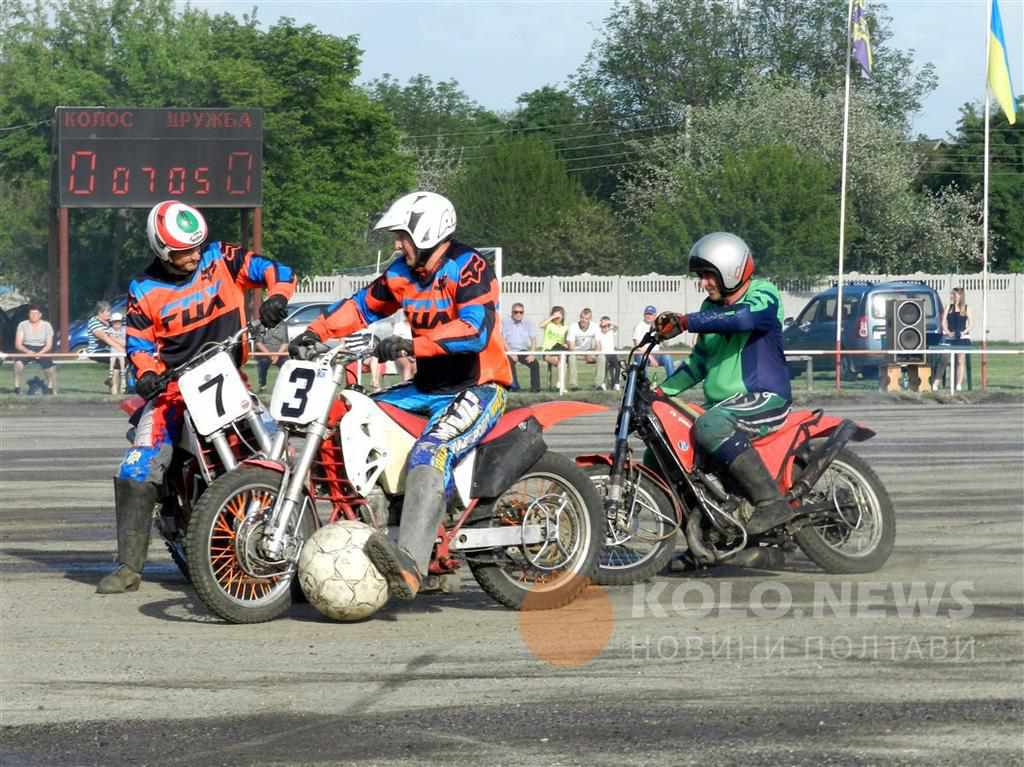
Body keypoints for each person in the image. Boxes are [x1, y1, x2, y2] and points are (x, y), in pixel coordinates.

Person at [289, 191, 512, 601]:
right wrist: (315, 333)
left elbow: (475, 329)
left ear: (426, 232)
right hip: (426, 389)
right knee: (353, 417)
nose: (396, 244)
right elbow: (360, 307)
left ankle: (409, 564)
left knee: (431, 454)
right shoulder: (401, 273)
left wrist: (410, 344)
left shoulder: (470, 267)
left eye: (401, 236)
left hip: (478, 388)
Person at [96, 200, 296, 594]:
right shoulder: (143, 288)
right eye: (183, 250)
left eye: (195, 246)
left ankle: (292, 541)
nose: (192, 256)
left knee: (280, 451)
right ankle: (129, 566)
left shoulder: (221, 256)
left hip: (231, 380)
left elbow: (277, 271)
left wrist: (277, 297)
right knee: (138, 465)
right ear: (161, 249)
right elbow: (138, 344)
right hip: (172, 392)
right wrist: (148, 374)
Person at [652, 232, 795, 536]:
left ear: (730, 270)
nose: (704, 283)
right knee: (662, 440)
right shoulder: (708, 309)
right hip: (723, 406)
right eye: (702, 277)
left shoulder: (763, 293)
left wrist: (685, 321)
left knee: (711, 425)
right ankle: (700, 535)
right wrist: (659, 394)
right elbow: (699, 363)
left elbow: (743, 319)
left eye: (708, 275)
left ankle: (771, 502)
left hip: (764, 397)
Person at [13, 304, 56, 395]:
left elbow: (49, 345)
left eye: (36, 314)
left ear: (40, 315)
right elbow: (18, 344)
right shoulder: (22, 324)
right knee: (18, 364)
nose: (33, 316)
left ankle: (50, 387)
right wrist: (28, 352)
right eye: (31, 314)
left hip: (42, 348)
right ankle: (17, 387)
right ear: (28, 314)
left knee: (49, 367)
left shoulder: (47, 325)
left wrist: (40, 353)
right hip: (26, 347)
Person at [502, 302, 540, 392]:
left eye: (521, 312)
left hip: (523, 350)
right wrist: (511, 353)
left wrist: (532, 354)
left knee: (535, 363)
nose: (518, 314)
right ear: (512, 312)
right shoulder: (505, 322)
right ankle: (515, 387)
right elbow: (502, 339)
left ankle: (535, 388)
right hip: (509, 350)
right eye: (516, 312)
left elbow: (533, 339)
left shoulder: (528, 322)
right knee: (509, 362)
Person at [632, 305, 676, 376]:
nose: (649, 316)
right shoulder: (639, 326)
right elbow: (638, 346)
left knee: (667, 357)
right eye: (647, 314)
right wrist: (651, 358)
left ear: (655, 315)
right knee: (641, 358)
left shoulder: (658, 326)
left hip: (656, 354)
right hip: (643, 354)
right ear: (644, 315)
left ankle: (672, 382)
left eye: (651, 314)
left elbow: (665, 343)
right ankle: (644, 383)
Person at [944, 287, 973, 391]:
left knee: (960, 360)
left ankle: (958, 384)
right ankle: (937, 383)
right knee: (945, 359)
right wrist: (948, 332)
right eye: (952, 294)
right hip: (950, 338)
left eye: (954, 294)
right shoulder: (948, 307)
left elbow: (971, 324)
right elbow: (943, 323)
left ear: (960, 296)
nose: (952, 296)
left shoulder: (966, 308)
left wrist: (963, 332)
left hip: (962, 338)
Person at [567, 307, 600, 389]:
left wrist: (593, 354)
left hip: (589, 352)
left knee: (602, 357)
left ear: (590, 319)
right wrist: (585, 355)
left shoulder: (595, 326)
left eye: (586, 318)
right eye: (582, 317)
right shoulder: (573, 326)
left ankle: (598, 384)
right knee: (571, 357)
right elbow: (571, 347)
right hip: (576, 353)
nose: (583, 320)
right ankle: (573, 385)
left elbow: (598, 346)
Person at [255, 317, 290, 393]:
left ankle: (285, 386)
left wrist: (277, 356)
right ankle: (262, 385)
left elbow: (285, 343)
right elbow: (258, 343)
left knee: (287, 365)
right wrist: (270, 355)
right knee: (262, 363)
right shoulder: (260, 324)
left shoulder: (283, 324)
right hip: (265, 354)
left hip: (280, 354)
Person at [540, 305, 569, 388]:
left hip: (560, 351)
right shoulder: (549, 325)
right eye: (555, 315)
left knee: (563, 362)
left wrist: (566, 344)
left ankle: (560, 384)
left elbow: (567, 340)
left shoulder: (565, 327)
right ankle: (561, 385)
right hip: (548, 351)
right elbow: (541, 325)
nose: (557, 318)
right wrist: (552, 317)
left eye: (559, 315)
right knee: (562, 363)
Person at [596, 315, 621, 390]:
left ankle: (616, 383)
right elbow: (598, 345)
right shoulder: (598, 332)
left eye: (607, 325)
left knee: (617, 367)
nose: (605, 327)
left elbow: (617, 326)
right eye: (603, 326)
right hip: (604, 354)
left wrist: (609, 322)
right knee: (605, 368)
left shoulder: (611, 331)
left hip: (612, 354)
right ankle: (603, 383)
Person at [107, 311, 128, 394]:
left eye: (118, 322)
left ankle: (123, 380)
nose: (116, 325)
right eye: (114, 323)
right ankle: (111, 379)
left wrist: (113, 338)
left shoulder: (124, 330)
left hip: (121, 352)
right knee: (113, 363)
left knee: (121, 360)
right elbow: (107, 338)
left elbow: (124, 343)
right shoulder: (110, 330)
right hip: (114, 351)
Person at [392, 316, 416, 382]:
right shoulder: (399, 326)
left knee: (415, 369)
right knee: (407, 366)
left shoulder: (417, 327)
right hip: (400, 351)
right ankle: (406, 388)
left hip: (414, 353)